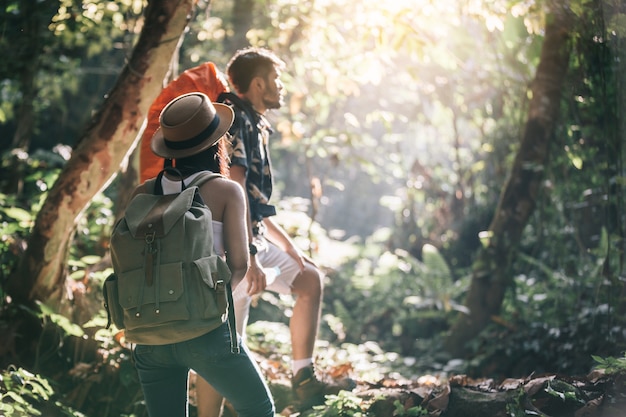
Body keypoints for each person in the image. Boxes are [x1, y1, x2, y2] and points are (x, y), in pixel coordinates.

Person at [195, 47, 350, 416]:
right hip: (227, 247)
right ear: (259, 83)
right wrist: (246, 256)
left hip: (251, 238)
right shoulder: (237, 120)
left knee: (308, 279)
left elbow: (254, 202)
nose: (281, 87)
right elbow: (235, 186)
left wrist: (290, 247)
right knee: (225, 343)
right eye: (276, 80)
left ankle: (303, 378)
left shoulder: (252, 120)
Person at [131, 92, 275, 417]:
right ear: (215, 142)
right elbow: (239, 266)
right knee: (258, 407)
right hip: (204, 333)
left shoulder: (142, 194)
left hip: (149, 336)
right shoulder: (225, 190)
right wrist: (209, 305)